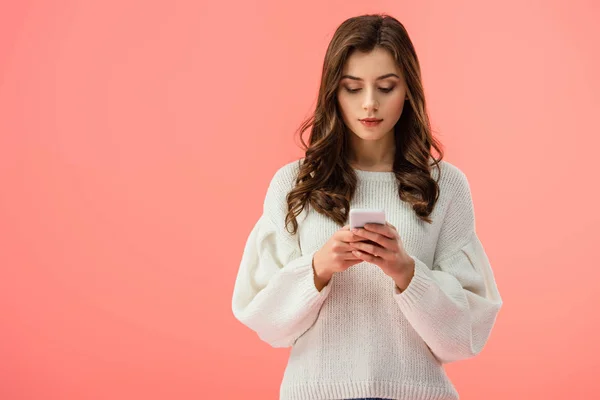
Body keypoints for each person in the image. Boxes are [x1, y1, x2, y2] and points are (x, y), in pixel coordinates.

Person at [231, 13, 503, 400]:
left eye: (386, 87)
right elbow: (265, 320)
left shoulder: (445, 186)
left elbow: (466, 336)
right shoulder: (295, 184)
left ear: (408, 89)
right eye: (353, 88)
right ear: (333, 92)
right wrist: (319, 267)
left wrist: (407, 272)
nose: (370, 104)